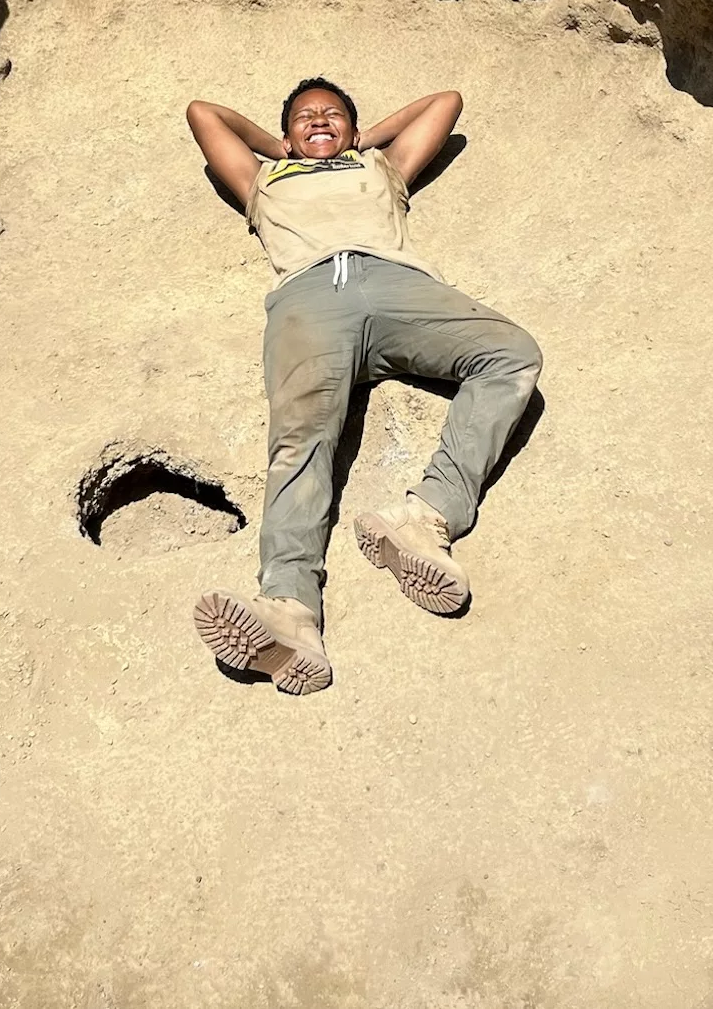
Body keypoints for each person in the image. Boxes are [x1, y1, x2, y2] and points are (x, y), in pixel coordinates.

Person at [185, 77, 543, 695]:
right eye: (304, 116)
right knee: (300, 444)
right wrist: (286, 150)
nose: (318, 119)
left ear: (355, 128)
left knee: (511, 354)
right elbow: (203, 113)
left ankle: (424, 519)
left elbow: (446, 103)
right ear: (285, 135)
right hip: (308, 297)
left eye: (332, 114)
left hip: (399, 286)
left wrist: (356, 139)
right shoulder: (263, 182)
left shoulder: (383, 167)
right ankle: (290, 613)